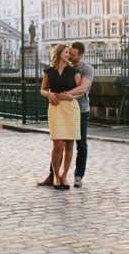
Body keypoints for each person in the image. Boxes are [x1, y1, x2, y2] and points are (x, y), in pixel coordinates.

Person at [37, 41, 94, 188]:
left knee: (78, 144)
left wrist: (69, 95)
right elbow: (43, 89)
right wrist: (49, 94)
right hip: (58, 109)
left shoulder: (84, 69)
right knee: (58, 144)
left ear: (80, 55)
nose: (70, 56)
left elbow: (82, 89)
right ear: (59, 53)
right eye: (68, 52)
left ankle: (76, 176)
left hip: (78, 109)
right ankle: (53, 175)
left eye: (72, 54)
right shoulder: (49, 71)